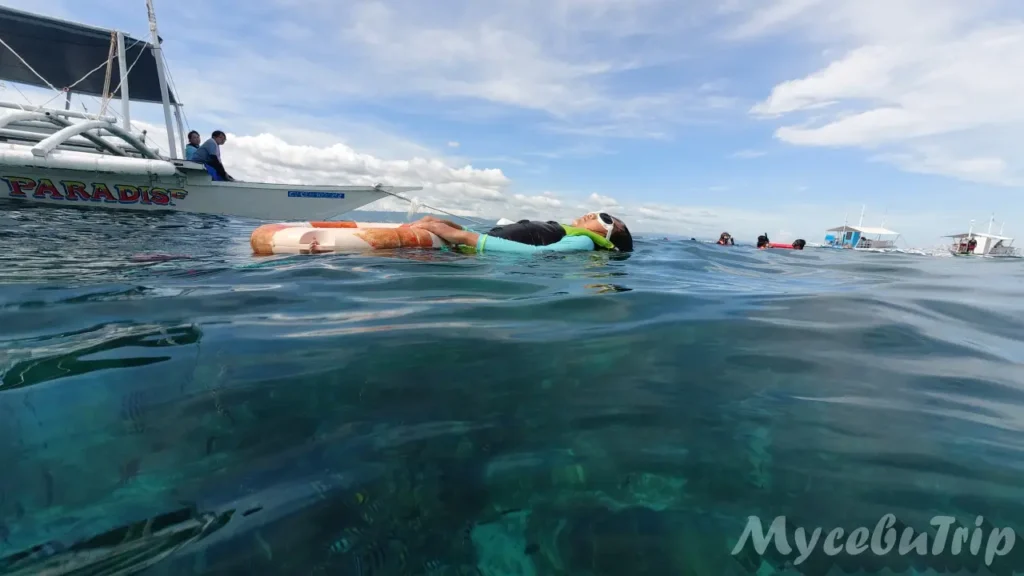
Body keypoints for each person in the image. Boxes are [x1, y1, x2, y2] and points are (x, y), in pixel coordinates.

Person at [404, 212, 634, 253]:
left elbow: (538, 254)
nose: (593, 214)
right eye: (596, 211)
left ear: (608, 237)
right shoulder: (569, 232)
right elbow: (502, 238)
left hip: (472, 256)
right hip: (471, 248)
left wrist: (464, 237)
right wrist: (456, 227)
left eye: (604, 219)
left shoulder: (583, 241)